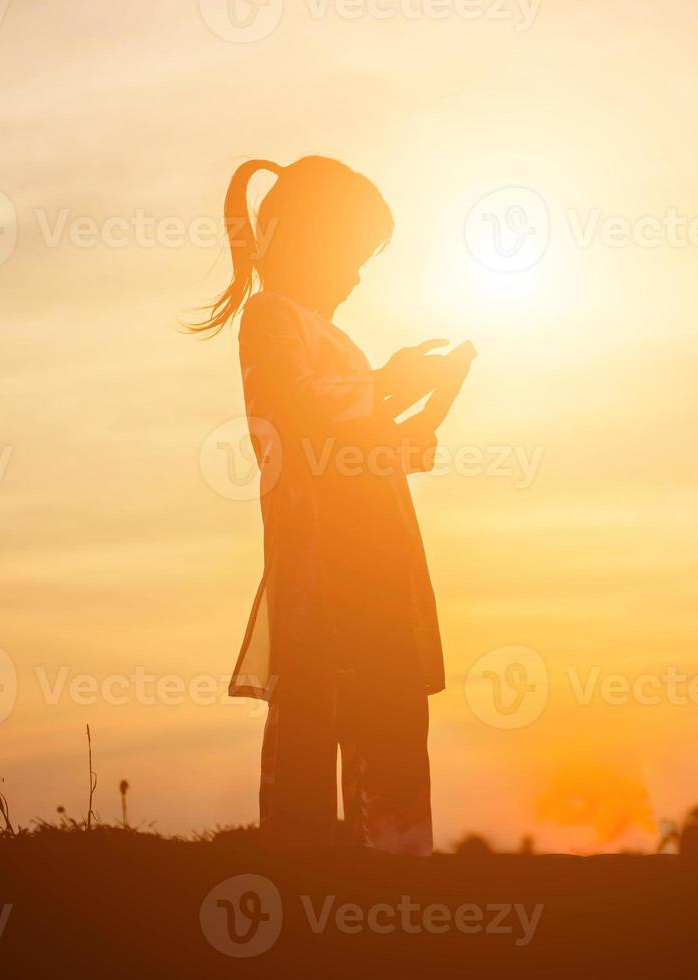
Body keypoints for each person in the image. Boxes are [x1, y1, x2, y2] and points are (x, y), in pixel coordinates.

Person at [191, 155, 475, 853]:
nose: (354, 276)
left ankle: (396, 864)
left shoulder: (333, 339)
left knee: (391, 706)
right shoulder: (269, 320)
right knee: (314, 706)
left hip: (376, 547)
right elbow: (298, 418)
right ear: (304, 239)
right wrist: (387, 385)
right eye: (348, 255)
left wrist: (423, 411)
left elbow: (361, 442)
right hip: (323, 554)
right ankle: (305, 864)